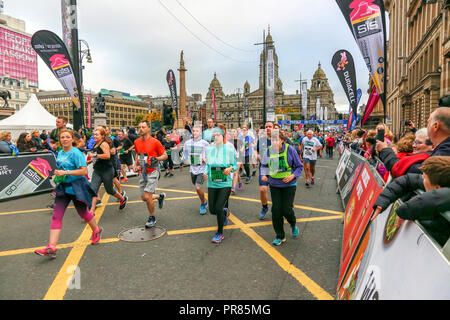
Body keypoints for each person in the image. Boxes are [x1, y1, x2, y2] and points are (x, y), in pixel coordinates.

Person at [34, 129, 101, 258]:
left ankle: (96, 230)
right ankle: (52, 247)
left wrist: (66, 173)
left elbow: (83, 171)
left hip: (77, 187)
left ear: (72, 139)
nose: (64, 139)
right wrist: (58, 174)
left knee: (84, 214)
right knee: (56, 216)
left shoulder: (76, 153)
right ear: (60, 140)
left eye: (67, 137)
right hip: (63, 188)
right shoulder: (59, 152)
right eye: (62, 137)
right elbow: (61, 168)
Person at [371, 156, 450, 246]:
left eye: (424, 178)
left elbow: (431, 200)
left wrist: (405, 211)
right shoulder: (437, 182)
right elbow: (408, 180)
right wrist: (383, 200)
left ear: (437, 188)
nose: (422, 179)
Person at [260, 130, 303, 246]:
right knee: (276, 211)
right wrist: (264, 175)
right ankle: (280, 236)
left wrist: (293, 175)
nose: (274, 142)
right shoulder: (268, 151)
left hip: (289, 185)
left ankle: (293, 223)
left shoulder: (290, 149)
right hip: (274, 185)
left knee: (286, 209)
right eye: (272, 140)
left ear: (282, 140)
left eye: (276, 140)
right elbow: (263, 165)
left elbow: (299, 166)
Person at [204, 124, 237, 243]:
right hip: (212, 183)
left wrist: (230, 169)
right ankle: (224, 211)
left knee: (218, 207)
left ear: (223, 136)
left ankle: (219, 233)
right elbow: (207, 165)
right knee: (212, 210)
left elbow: (235, 165)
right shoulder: (209, 149)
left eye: (217, 135)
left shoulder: (228, 149)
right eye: (214, 135)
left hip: (225, 183)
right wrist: (205, 172)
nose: (215, 137)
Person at [133, 120, 168, 228]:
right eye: (139, 127)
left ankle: (152, 217)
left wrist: (156, 158)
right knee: (144, 197)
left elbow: (165, 155)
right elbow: (138, 154)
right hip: (143, 170)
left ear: (148, 128)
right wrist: (135, 164)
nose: (141, 129)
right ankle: (159, 196)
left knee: (147, 196)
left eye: (143, 127)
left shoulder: (155, 142)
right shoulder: (137, 142)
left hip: (153, 170)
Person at [88, 128, 128, 211]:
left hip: (107, 171)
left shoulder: (104, 144)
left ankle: (123, 199)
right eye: (94, 134)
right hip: (97, 171)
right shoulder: (95, 144)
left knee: (109, 190)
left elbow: (107, 156)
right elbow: (98, 156)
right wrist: (90, 161)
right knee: (93, 190)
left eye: (96, 134)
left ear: (102, 136)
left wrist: (94, 156)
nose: (94, 136)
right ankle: (91, 211)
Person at [183, 125, 210, 214]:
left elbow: (209, 156)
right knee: (196, 186)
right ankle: (204, 201)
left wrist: (205, 159)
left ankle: (203, 203)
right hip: (192, 169)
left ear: (200, 132)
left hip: (202, 169)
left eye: (197, 131)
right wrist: (188, 160)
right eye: (193, 131)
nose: (194, 132)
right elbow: (185, 155)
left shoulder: (205, 143)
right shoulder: (187, 143)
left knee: (198, 188)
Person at [256, 121, 274, 220]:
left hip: (276, 168)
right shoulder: (261, 140)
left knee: (275, 191)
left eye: (270, 126)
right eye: (266, 127)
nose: (268, 128)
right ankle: (264, 207)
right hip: (264, 167)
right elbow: (257, 150)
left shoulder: (278, 139)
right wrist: (257, 155)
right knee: (263, 189)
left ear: (274, 128)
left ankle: (277, 209)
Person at [230, 128, 244, 194]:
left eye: (234, 132)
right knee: (236, 173)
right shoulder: (229, 141)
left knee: (235, 172)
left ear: (237, 133)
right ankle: (240, 182)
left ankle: (233, 188)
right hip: (232, 158)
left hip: (238, 157)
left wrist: (241, 149)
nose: (233, 133)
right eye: (232, 132)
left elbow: (243, 147)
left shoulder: (240, 140)